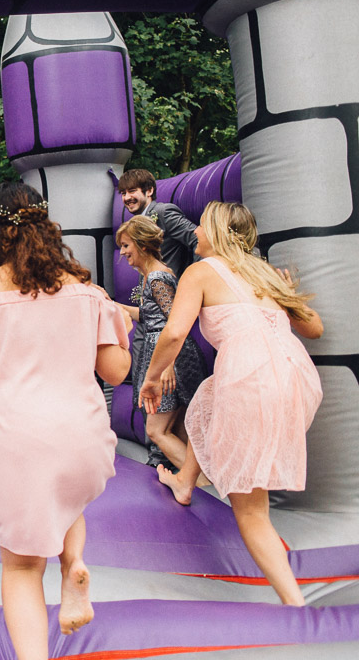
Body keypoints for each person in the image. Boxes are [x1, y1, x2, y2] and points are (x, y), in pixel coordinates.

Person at [0, 182, 130, 660]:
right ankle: (73, 562)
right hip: (82, 435)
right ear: (46, 224)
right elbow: (116, 372)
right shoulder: (87, 291)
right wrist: (124, 329)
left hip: (18, 440)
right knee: (64, 494)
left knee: (20, 569)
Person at [142, 201, 323, 606]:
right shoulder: (265, 273)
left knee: (252, 512)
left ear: (218, 233)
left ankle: (297, 605)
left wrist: (152, 379)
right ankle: (185, 482)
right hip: (295, 377)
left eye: (201, 226)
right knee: (207, 400)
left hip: (252, 379)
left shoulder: (199, 272)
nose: (195, 234)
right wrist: (284, 293)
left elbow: (173, 334)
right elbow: (314, 328)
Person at [115, 216, 206, 469]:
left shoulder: (158, 277)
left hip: (168, 356)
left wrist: (168, 365)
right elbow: (147, 316)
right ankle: (193, 484)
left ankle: (197, 480)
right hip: (163, 352)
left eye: (126, 245)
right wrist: (111, 305)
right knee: (175, 430)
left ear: (142, 244)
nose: (122, 253)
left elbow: (175, 322)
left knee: (156, 431)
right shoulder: (153, 276)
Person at [117, 168, 198, 278]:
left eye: (132, 191)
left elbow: (198, 239)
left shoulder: (163, 212)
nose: (127, 198)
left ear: (149, 191)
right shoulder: (135, 223)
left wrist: (194, 279)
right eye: (123, 193)